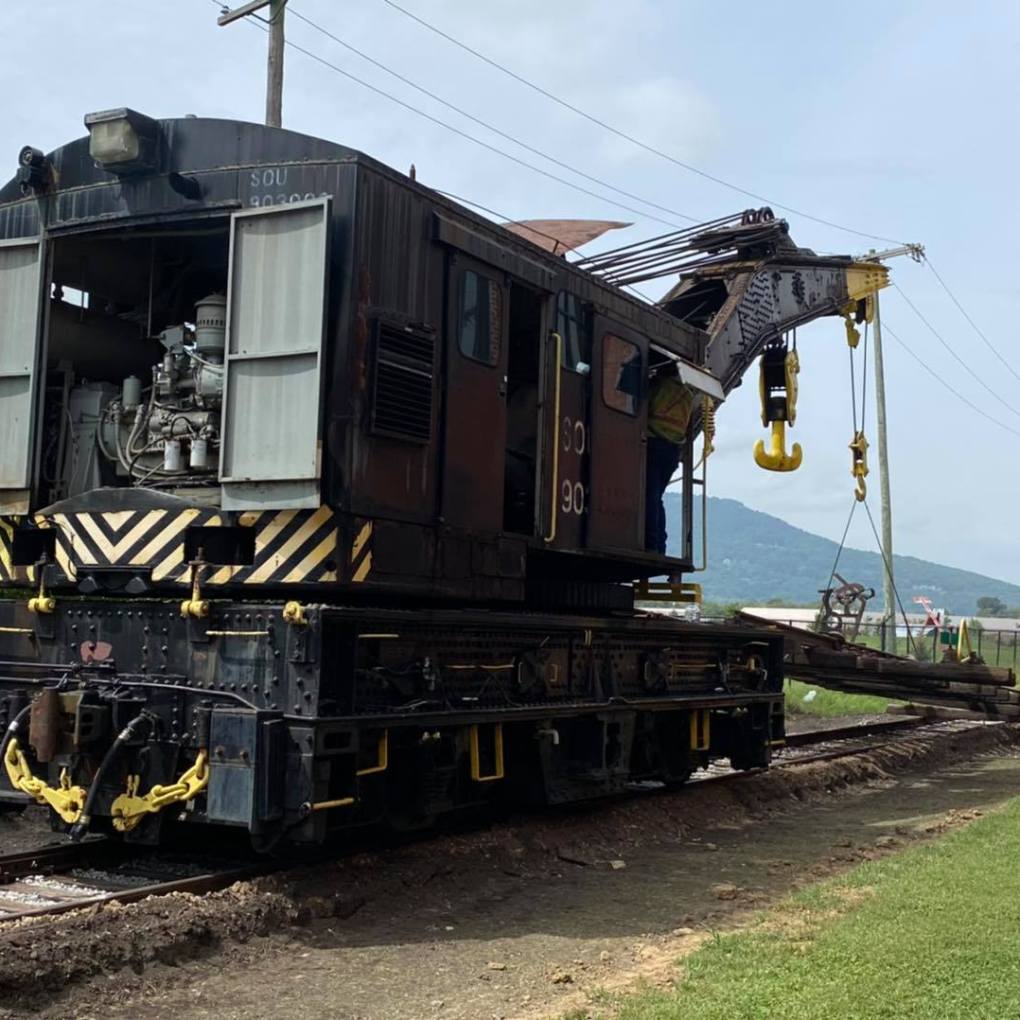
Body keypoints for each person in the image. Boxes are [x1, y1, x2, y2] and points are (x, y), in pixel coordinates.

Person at [645, 362, 693, 554]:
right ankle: (658, 546)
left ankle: (649, 543)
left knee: (649, 496)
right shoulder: (687, 395)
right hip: (672, 451)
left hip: (652, 444)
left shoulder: (658, 386)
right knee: (656, 498)